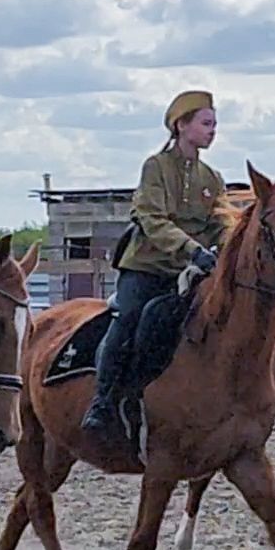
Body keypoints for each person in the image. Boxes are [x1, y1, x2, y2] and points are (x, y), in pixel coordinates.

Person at [80, 89, 227, 434]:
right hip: (147, 268)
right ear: (181, 125)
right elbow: (152, 219)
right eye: (206, 123)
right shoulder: (156, 167)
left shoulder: (213, 178)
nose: (212, 130)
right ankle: (103, 400)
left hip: (191, 271)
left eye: (215, 124)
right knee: (129, 316)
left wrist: (229, 247)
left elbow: (221, 223)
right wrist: (192, 249)